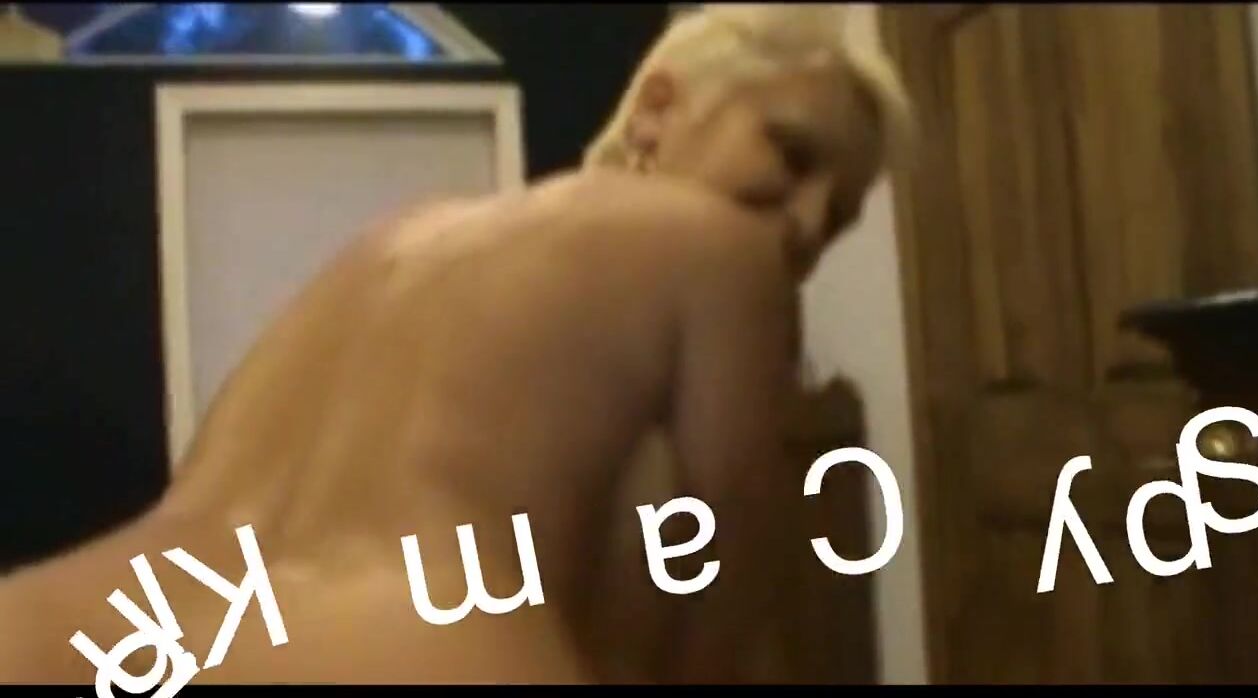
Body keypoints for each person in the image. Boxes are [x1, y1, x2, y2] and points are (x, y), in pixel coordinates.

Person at [0, 4, 911, 686]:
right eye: (793, 156)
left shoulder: (397, 241)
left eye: (837, 215)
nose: (804, 224)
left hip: (73, 626)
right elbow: (719, 613)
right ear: (657, 108)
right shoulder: (724, 256)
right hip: (399, 643)